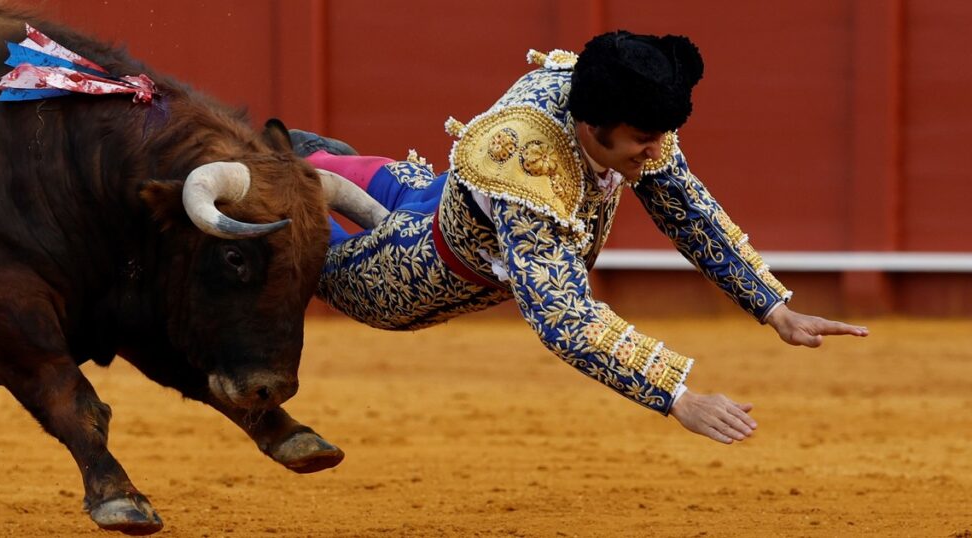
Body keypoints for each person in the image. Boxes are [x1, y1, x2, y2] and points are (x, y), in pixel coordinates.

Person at [293, 31, 868, 449]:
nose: (656, 151)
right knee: (276, 232)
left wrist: (775, 308)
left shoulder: (617, 100)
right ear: (592, 129)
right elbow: (564, 316)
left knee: (311, 169)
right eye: (643, 141)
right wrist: (678, 396)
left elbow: (687, 209)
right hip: (409, 276)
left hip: (438, 198)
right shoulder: (531, 166)